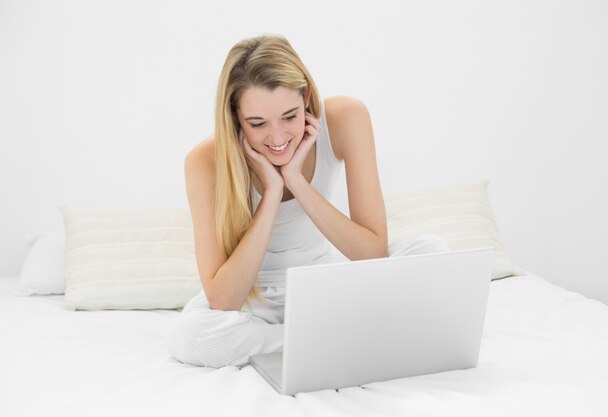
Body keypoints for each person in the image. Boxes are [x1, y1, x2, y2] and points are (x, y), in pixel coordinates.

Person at [167, 34, 448, 368]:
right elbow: (223, 300)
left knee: (431, 250)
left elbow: (372, 252)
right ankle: (331, 336)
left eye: (290, 116)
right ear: (234, 118)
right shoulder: (205, 160)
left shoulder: (346, 117)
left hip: (325, 282)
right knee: (190, 337)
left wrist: (297, 182)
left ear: (307, 97)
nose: (278, 138)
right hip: (254, 302)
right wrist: (271, 193)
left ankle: (316, 336)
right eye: (257, 124)